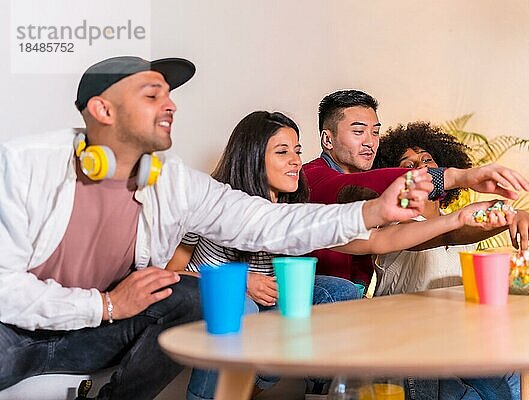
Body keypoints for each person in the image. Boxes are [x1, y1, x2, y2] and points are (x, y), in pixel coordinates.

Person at [0, 57, 446, 400]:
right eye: (151, 95)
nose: (170, 104)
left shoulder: (171, 182)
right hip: (16, 330)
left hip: (98, 330)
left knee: (193, 299)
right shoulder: (24, 169)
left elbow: (268, 222)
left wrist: (371, 211)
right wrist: (107, 305)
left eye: (169, 95)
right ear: (102, 109)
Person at [166, 111, 512, 400]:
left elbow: (379, 241)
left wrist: (457, 218)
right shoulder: (213, 205)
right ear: (253, 156)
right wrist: (244, 281)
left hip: (273, 303)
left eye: (297, 151)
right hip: (217, 302)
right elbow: (173, 276)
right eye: (282, 152)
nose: (296, 162)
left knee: (342, 294)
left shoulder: (295, 211)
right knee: (246, 307)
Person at [303, 89, 529, 292]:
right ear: (328, 140)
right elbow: (354, 190)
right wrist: (457, 176)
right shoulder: (311, 177)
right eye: (358, 132)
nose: (370, 141)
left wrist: (510, 213)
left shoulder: (373, 199)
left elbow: (376, 238)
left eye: (375, 132)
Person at [371, 121, 529, 295]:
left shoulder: (462, 223)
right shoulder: (391, 224)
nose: (422, 166)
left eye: (427, 159)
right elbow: (447, 234)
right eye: (408, 166)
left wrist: (516, 214)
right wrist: (509, 215)